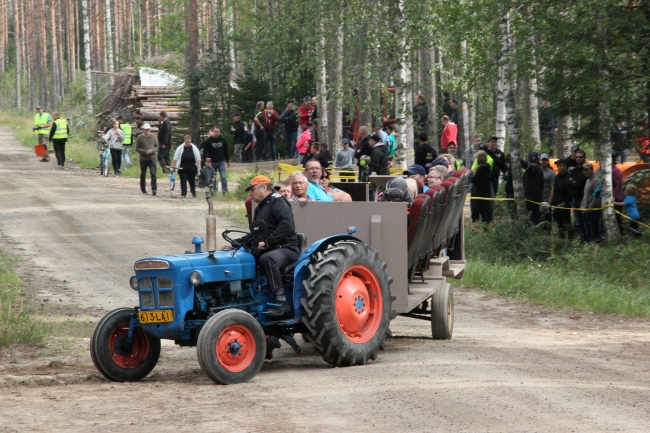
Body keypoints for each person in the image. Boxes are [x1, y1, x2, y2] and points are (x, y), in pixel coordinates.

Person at [231, 175, 299, 316]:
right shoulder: (260, 207)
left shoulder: (278, 201)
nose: (251, 194)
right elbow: (254, 234)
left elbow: (287, 225)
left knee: (268, 259)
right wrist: (233, 243)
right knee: (238, 257)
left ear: (264, 187)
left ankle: (281, 300)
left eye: (253, 189)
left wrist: (269, 242)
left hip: (286, 248)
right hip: (270, 248)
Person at [200, 126, 230, 195]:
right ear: (213, 132)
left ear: (220, 132)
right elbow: (205, 151)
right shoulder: (208, 141)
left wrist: (227, 161)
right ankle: (214, 191)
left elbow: (226, 151)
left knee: (223, 177)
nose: (216, 133)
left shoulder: (223, 140)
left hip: (221, 161)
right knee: (213, 177)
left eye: (218, 132)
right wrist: (205, 160)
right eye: (215, 132)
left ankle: (225, 191)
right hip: (212, 162)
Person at [470, 150, 493, 230]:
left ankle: (485, 227)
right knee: (485, 209)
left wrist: (473, 175)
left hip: (479, 192)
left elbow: (474, 180)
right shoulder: (488, 167)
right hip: (486, 191)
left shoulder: (480, 168)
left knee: (481, 210)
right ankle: (486, 226)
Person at [551, 159, 574, 238]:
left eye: (561, 166)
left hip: (565, 204)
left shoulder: (569, 178)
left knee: (567, 223)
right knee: (559, 224)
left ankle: (570, 239)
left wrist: (566, 202)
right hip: (557, 204)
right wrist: (553, 204)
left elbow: (570, 192)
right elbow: (555, 191)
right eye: (558, 166)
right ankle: (561, 239)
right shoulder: (556, 177)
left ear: (565, 166)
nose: (559, 168)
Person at [135, 123, 159, 195]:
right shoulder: (139, 137)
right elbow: (137, 148)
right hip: (143, 159)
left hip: (152, 158)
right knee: (143, 173)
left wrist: (152, 151)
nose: (147, 131)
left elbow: (157, 147)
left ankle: (154, 189)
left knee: (153, 173)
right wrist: (145, 152)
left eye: (148, 129)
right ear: (143, 130)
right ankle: (143, 189)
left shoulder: (153, 137)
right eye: (146, 130)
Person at [569, 150, 588, 241]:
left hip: (583, 199)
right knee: (578, 221)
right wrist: (573, 182)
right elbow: (569, 182)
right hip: (575, 198)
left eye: (580, 157)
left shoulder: (586, 169)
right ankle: (582, 238)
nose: (578, 159)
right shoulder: (575, 170)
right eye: (577, 157)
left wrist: (573, 182)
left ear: (584, 158)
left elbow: (579, 184)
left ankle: (588, 238)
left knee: (585, 220)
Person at [581, 162, 602, 242]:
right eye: (584, 170)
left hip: (593, 210)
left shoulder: (596, 181)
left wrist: (591, 207)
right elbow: (586, 195)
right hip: (585, 209)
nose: (585, 172)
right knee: (588, 230)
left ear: (592, 170)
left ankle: (596, 244)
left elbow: (597, 196)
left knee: (594, 230)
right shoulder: (587, 181)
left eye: (587, 170)